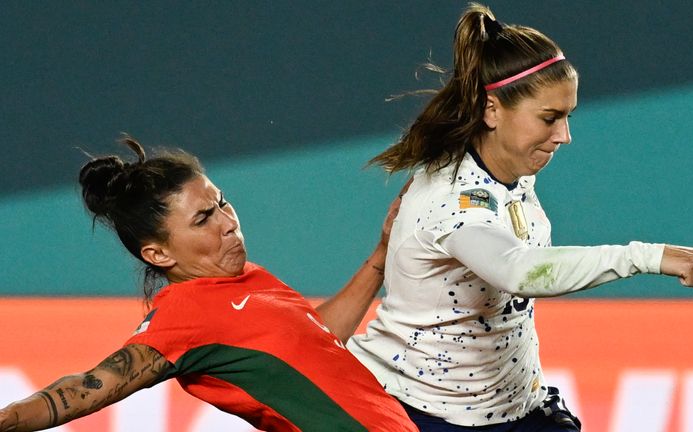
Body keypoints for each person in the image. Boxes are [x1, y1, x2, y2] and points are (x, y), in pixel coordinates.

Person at [346, 4, 693, 431]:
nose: (564, 136)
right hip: (423, 414)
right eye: (550, 118)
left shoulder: (509, 169)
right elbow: (517, 270)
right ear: (492, 110)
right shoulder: (452, 199)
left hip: (517, 409)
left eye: (567, 116)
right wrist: (646, 256)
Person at [0, 136, 418, 432]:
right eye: (203, 219)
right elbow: (91, 386)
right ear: (159, 254)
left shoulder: (248, 279)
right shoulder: (185, 313)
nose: (228, 222)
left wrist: (380, 257)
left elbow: (316, 339)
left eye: (221, 203)